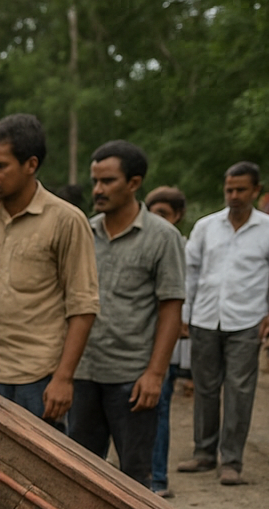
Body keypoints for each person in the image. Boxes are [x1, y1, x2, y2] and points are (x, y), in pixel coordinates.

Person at [0, 114, 98, 425]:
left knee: (33, 470)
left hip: (35, 375)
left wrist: (64, 378)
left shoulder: (67, 220)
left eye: (0, 166)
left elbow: (83, 305)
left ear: (31, 164)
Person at [68, 141, 186, 488]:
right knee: (79, 474)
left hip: (132, 378)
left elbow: (171, 308)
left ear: (134, 183)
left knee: (135, 480)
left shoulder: (164, 237)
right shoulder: (84, 232)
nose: (98, 190)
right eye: (95, 181)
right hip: (84, 371)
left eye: (108, 181)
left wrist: (155, 374)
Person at [180, 161, 269, 485]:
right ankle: (203, 453)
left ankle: (231, 462)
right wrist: (184, 315)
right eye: (229, 189)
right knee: (204, 389)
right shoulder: (206, 226)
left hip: (246, 322)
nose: (234, 195)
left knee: (240, 392)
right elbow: (191, 273)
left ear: (256, 190)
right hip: (204, 318)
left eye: (241, 189)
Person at [145, 186, 190, 496]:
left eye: (163, 213)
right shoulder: (144, 244)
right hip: (137, 347)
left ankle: (158, 478)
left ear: (178, 216)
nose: (157, 219)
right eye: (152, 212)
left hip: (166, 347)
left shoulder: (185, 246)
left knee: (160, 412)